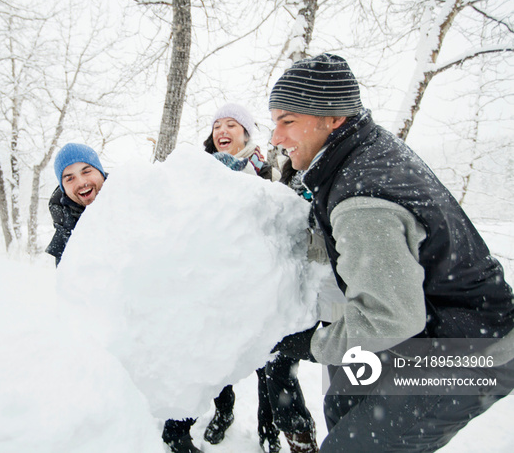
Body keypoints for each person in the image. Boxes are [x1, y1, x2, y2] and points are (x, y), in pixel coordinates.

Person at [268, 53, 514, 452]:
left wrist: (309, 342)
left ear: (333, 119)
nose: (276, 137)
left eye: (288, 121)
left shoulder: (363, 196)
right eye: (274, 121)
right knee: (343, 403)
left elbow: (390, 319)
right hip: (428, 331)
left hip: (470, 347)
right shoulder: (359, 155)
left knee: (352, 446)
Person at [161, 103, 318, 453]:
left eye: (232, 124)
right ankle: (218, 415)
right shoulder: (195, 173)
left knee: (272, 372)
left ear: (246, 134)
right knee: (212, 360)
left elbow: (294, 215)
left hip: (266, 291)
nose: (222, 130)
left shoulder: (269, 170)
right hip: (215, 288)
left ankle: (270, 432)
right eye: (217, 124)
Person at [46, 143, 106, 265]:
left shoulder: (133, 198)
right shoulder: (64, 224)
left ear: (101, 173)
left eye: (86, 172)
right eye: (70, 178)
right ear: (64, 189)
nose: (82, 183)